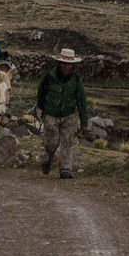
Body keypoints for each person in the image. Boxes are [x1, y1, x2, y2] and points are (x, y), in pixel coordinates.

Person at [34, 47, 88, 179]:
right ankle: (48, 159)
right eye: (64, 64)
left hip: (69, 115)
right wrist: (41, 108)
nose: (66, 67)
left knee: (67, 142)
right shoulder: (49, 77)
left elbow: (81, 100)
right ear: (59, 63)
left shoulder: (76, 79)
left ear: (72, 65)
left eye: (69, 64)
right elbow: (41, 93)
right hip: (51, 114)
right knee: (52, 143)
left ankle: (65, 169)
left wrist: (84, 121)